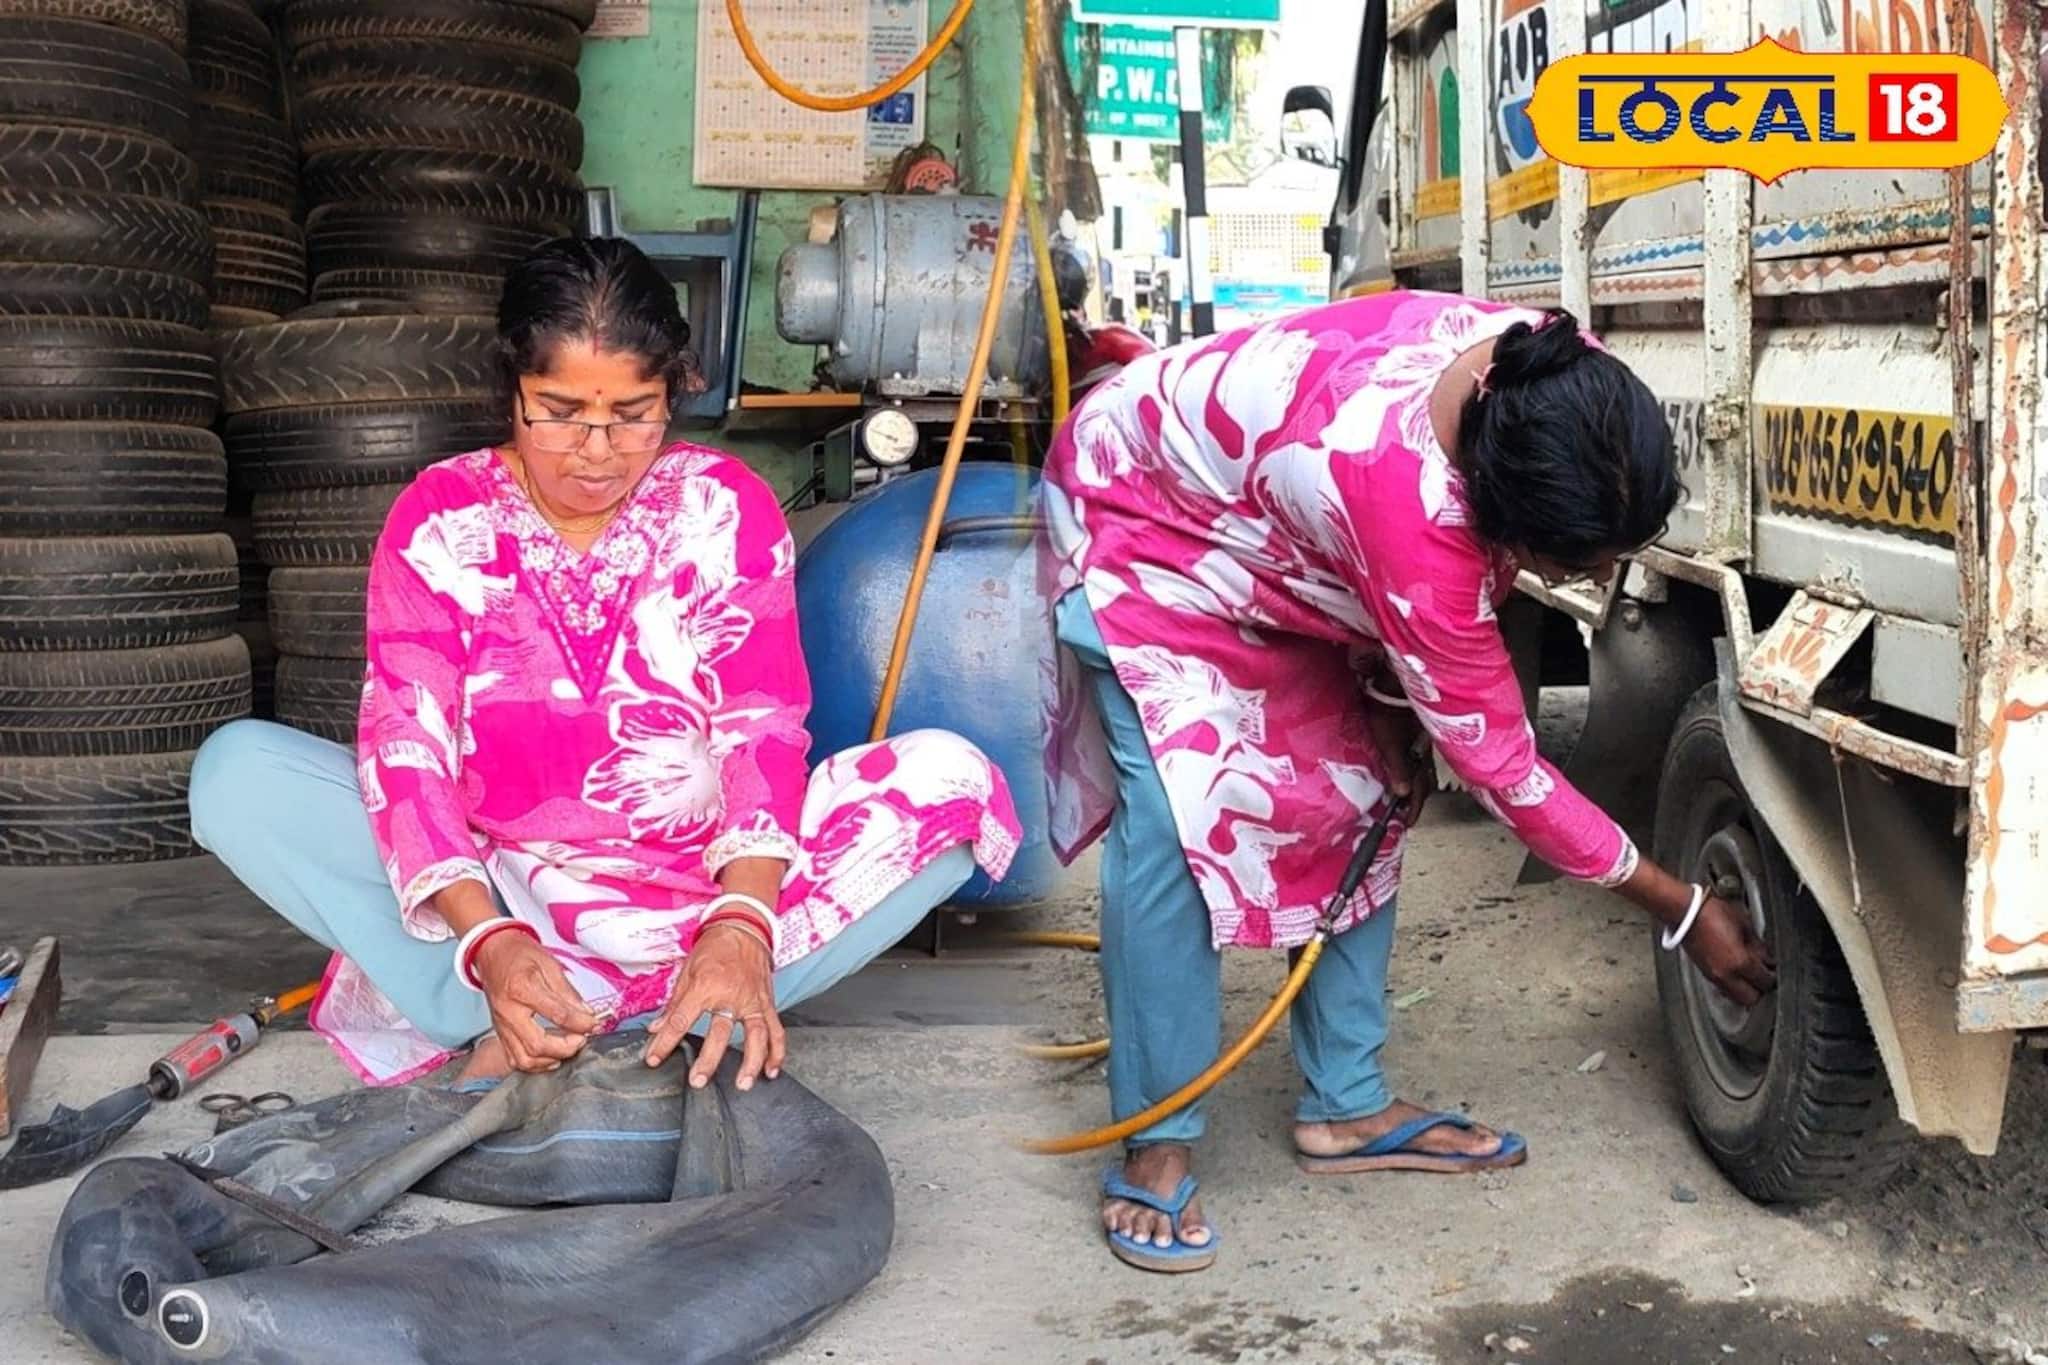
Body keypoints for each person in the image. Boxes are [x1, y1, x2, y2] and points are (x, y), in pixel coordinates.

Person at [1038, 289, 1776, 1273]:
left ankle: (1343, 1109)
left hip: (1281, 519)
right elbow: (1508, 777)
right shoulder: (1411, 515)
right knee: (1185, 818)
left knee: (1366, 796)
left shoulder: (1555, 377)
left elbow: (1385, 604)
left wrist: (1394, 710)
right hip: (1144, 519)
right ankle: (1158, 1137)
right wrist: (1677, 908)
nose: (1598, 584)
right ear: (1485, 510)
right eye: (1569, 563)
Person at [191, 237, 1021, 1088]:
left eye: (634, 413)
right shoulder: (441, 516)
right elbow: (407, 744)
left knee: (952, 784)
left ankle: (665, 999)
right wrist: (490, 938)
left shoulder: (723, 506)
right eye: (558, 410)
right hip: (504, 885)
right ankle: (518, 1001)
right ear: (511, 388)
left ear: (675, 393)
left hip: (698, 890)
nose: (595, 451)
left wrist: (739, 921)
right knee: (238, 775)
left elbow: (761, 730)